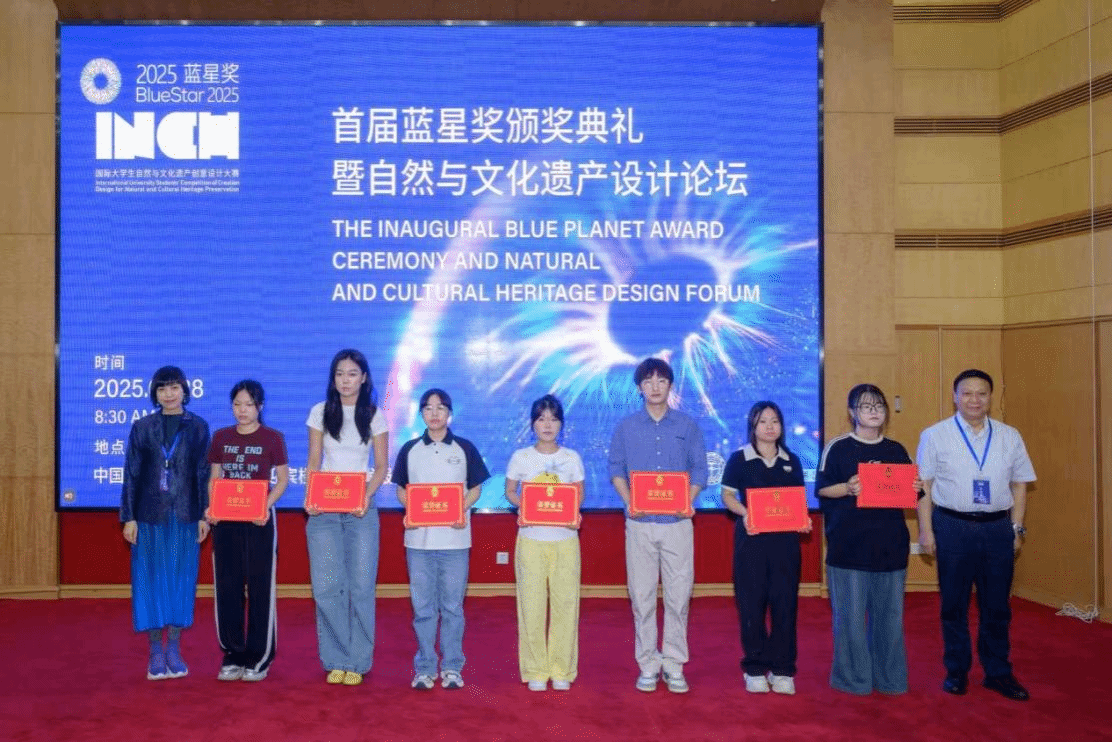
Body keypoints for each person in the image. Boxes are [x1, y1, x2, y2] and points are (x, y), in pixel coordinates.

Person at [916, 369, 1036, 701]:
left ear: (990, 397)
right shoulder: (935, 435)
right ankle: (956, 671)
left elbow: (1020, 484)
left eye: (981, 393)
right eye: (967, 393)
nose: (974, 400)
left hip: (997, 527)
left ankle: (998, 672)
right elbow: (923, 486)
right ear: (955, 397)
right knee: (953, 604)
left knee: (997, 605)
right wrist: (926, 530)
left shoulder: (1010, 436)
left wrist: (1016, 528)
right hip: (952, 526)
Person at [608, 357, 708, 694]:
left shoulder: (687, 426)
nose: (655, 387)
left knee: (679, 597)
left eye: (661, 381)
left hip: (677, 523)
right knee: (642, 596)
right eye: (648, 381)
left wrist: (687, 500)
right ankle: (648, 664)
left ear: (670, 386)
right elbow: (616, 468)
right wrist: (629, 501)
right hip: (640, 523)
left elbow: (700, 469)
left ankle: (675, 664)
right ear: (639, 387)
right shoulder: (626, 427)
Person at [816, 384, 923, 695]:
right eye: (866, 406)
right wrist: (848, 488)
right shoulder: (838, 448)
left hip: (891, 547)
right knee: (850, 620)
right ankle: (854, 680)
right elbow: (821, 490)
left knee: (890, 620)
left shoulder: (897, 450)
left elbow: (914, 495)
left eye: (879, 405)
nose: (874, 411)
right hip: (848, 547)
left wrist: (915, 487)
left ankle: (890, 680)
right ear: (853, 412)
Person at [392, 388, 491, 691]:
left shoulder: (464, 448)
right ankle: (424, 668)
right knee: (422, 609)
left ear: (449, 413)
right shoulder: (410, 449)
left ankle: (451, 667)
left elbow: (476, 488)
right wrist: (412, 509)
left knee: (452, 608)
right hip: (418, 543)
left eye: (440, 408)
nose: (434, 413)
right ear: (421, 414)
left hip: (455, 542)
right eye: (428, 408)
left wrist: (460, 508)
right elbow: (401, 489)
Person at [120, 365, 210, 680]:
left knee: (181, 579)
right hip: (149, 515)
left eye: (174, 387)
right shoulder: (142, 427)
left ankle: (173, 647)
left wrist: (204, 515)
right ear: (154, 394)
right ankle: (155, 651)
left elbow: (203, 474)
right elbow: (131, 474)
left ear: (185, 390)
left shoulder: (198, 427)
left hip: (185, 514)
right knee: (150, 579)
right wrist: (129, 517)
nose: (168, 394)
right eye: (162, 388)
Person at [305, 349, 389, 686]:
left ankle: (358, 660)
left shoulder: (374, 414)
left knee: (361, 587)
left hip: (361, 510)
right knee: (326, 587)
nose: (346, 380)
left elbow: (381, 466)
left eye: (352, 373)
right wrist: (311, 497)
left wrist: (365, 496)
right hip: (324, 510)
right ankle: (336, 658)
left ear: (364, 378)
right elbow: (314, 461)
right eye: (340, 374)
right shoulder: (320, 412)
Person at [721, 401, 810, 695]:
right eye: (763, 421)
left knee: (785, 606)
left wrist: (803, 519)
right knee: (751, 606)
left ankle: (783, 669)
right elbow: (727, 496)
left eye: (775, 421)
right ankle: (755, 667)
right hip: (751, 544)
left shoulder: (792, 460)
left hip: (785, 545)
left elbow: (797, 500)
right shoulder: (739, 459)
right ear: (753, 426)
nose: (770, 427)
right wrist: (746, 513)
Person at [205, 379, 289, 682]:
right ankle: (233, 653)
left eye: (249, 405)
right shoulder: (221, 437)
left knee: (259, 588)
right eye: (237, 404)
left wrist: (264, 505)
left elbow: (282, 480)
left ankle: (259, 657)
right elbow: (215, 478)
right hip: (226, 522)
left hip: (259, 521)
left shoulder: (273, 438)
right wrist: (212, 507)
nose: (242, 410)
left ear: (260, 407)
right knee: (227, 587)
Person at [505, 394, 585, 692]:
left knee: (566, 605)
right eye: (541, 419)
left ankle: (562, 669)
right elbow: (510, 491)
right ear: (533, 424)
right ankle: (536, 669)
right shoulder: (521, 457)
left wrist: (573, 513)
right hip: (531, 540)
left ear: (561, 424)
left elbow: (578, 494)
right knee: (531, 606)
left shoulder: (571, 457)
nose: (547, 425)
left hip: (565, 541)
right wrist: (524, 507)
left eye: (553, 419)